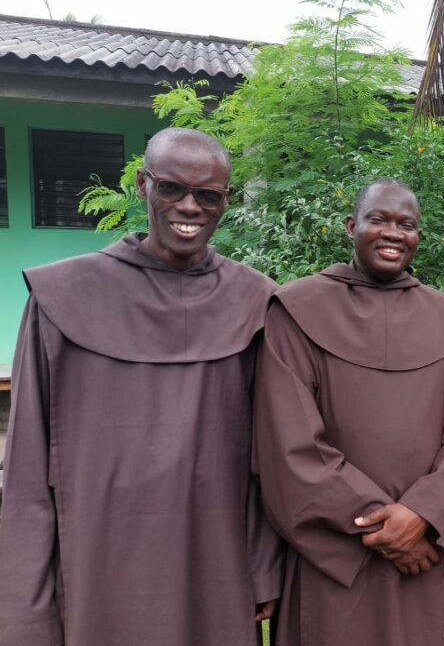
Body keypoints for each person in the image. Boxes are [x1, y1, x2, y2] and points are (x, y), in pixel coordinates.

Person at [0, 128, 283, 646]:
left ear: (226, 200)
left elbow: (271, 457)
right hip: (96, 561)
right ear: (142, 185)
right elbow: (25, 465)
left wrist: (263, 566)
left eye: (209, 194)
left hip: (212, 558)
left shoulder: (256, 302)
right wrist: (24, 605)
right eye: (172, 187)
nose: (189, 206)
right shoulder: (62, 295)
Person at [253, 178, 444, 646]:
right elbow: (290, 443)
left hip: (428, 553)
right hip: (338, 558)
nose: (393, 233)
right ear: (350, 226)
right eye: (379, 219)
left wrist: (423, 513)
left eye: (407, 225)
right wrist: (392, 529)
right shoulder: (296, 312)